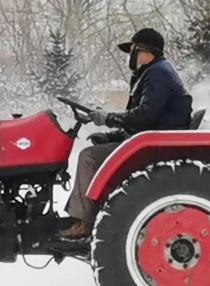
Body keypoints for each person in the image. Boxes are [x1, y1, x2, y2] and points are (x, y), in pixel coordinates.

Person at [60, 28, 193, 240]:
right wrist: (113, 135)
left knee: (88, 157)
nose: (130, 56)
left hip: (155, 143)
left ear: (146, 52)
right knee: (96, 151)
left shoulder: (158, 73)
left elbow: (146, 115)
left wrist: (108, 118)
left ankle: (84, 221)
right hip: (151, 138)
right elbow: (147, 119)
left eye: (132, 51)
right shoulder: (155, 72)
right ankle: (93, 211)